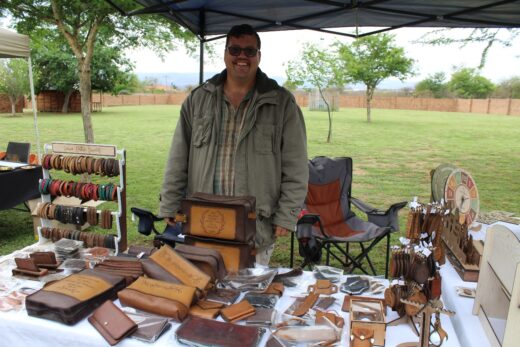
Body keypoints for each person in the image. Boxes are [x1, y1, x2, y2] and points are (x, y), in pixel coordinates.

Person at [159, 24, 308, 265]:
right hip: (203, 221)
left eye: (250, 51)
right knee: (203, 293)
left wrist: (286, 215)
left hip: (254, 226)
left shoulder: (281, 103)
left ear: (259, 56)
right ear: (225, 53)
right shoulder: (198, 99)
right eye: (235, 49)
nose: (242, 56)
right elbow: (178, 158)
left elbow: (296, 166)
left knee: (245, 297)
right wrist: (169, 203)